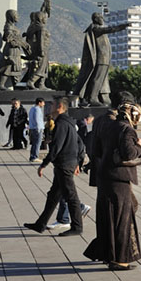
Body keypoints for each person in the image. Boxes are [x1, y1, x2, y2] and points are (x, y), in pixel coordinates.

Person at [83, 96, 141, 271]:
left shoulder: (106, 125)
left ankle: (107, 254)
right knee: (122, 219)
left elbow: (96, 149)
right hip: (119, 179)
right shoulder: (126, 130)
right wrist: (139, 146)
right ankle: (120, 259)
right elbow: (129, 153)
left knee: (108, 217)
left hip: (104, 176)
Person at [23, 98, 84, 236]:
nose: (50, 107)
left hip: (64, 164)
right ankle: (40, 224)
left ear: (60, 107)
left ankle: (77, 227)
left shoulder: (61, 124)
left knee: (71, 196)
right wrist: (77, 161)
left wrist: (44, 164)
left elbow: (56, 147)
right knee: (54, 195)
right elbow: (80, 143)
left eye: (53, 105)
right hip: (66, 163)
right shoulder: (68, 122)